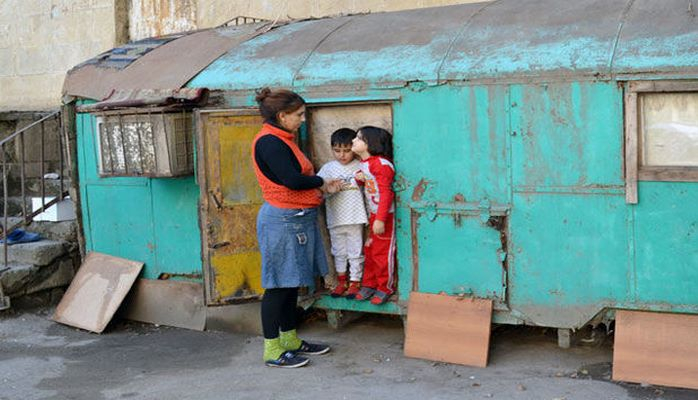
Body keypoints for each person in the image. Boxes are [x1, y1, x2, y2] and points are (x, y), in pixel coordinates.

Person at [251, 87, 342, 368]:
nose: (303, 119)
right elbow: (291, 180)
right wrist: (321, 181)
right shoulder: (269, 142)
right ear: (282, 115)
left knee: (291, 285)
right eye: (299, 115)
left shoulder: (284, 138)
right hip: (282, 220)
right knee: (278, 285)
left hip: (297, 216)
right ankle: (272, 350)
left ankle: (289, 340)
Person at [317, 128, 368, 298]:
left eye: (347, 151)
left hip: (355, 216)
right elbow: (318, 192)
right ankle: (341, 281)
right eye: (337, 151)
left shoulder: (361, 166)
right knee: (338, 251)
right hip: (335, 217)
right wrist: (328, 190)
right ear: (331, 149)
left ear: (354, 148)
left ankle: (355, 281)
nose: (342, 155)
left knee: (355, 251)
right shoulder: (328, 169)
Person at [351, 126, 396, 305]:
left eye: (358, 138)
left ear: (371, 143)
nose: (354, 141)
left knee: (382, 253)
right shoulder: (366, 164)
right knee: (370, 250)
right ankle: (369, 283)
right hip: (373, 215)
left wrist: (380, 219)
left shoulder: (382, 164)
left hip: (385, 217)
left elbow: (386, 194)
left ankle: (385, 287)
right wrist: (358, 178)